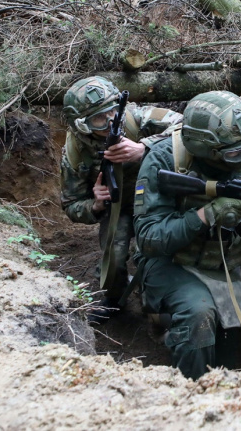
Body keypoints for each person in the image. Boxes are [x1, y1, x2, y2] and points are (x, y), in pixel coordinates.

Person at [132, 90, 241, 379]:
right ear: (206, 149)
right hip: (171, 263)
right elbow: (148, 237)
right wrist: (206, 215)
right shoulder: (165, 160)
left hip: (226, 266)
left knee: (229, 356)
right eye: (235, 151)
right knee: (198, 317)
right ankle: (191, 399)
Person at [60, 76, 182, 321]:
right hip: (120, 208)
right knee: (113, 258)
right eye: (98, 118)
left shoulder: (138, 118)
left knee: (163, 249)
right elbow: (71, 204)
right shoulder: (74, 153)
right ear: (82, 124)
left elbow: (187, 127)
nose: (109, 121)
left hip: (161, 199)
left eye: (113, 112)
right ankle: (114, 299)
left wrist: (145, 147)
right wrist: (95, 204)